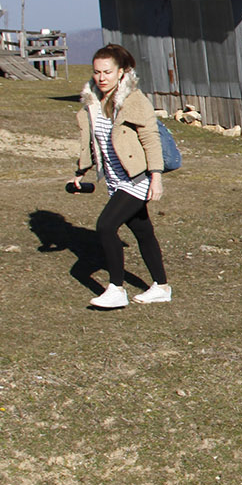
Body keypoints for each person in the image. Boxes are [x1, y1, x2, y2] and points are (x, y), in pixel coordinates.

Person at [73, 44, 171, 310]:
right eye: (96, 72)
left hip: (136, 178)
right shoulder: (92, 103)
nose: (101, 77)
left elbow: (150, 139)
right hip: (116, 180)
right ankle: (161, 287)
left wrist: (156, 176)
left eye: (107, 71)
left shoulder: (133, 100)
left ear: (121, 72)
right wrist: (81, 171)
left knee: (105, 226)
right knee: (143, 231)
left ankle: (116, 288)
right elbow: (90, 142)